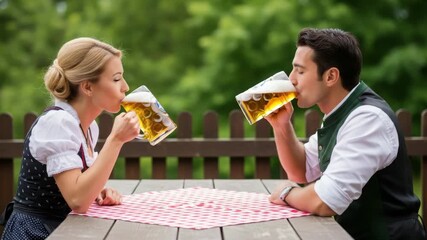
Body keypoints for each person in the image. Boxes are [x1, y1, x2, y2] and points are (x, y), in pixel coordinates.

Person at [266, 28, 426, 239]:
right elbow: (301, 170)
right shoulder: (341, 112)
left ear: (331, 76)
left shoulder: (367, 119)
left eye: (300, 71)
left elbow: (326, 201)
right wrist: (281, 126)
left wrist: (288, 194)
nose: (292, 79)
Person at [1, 37, 140, 239]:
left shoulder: (89, 127)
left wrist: (97, 192)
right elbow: (77, 200)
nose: (125, 87)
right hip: (36, 233)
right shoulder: (57, 123)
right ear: (88, 87)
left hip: (63, 231)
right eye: (117, 78)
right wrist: (116, 140)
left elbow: (79, 190)